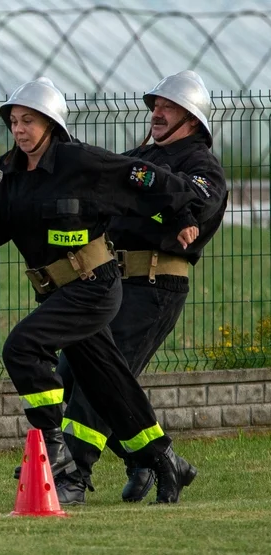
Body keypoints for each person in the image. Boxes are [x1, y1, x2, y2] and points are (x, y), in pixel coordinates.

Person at [0, 76, 206, 506]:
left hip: (94, 287)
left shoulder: (80, 162)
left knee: (22, 348)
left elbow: (140, 179)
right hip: (56, 292)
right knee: (110, 384)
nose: (19, 129)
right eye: (13, 121)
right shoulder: (5, 172)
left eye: (29, 120)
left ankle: (56, 453)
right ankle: (165, 461)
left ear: (51, 123)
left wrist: (182, 213)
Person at [55, 70, 228, 505]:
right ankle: (158, 460)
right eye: (155, 106)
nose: (157, 113)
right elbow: (107, 193)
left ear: (191, 118)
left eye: (167, 107)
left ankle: (73, 475)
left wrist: (150, 205)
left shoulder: (201, 166)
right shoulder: (139, 156)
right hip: (109, 282)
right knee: (72, 375)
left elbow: (195, 204)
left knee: (99, 380)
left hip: (155, 285)